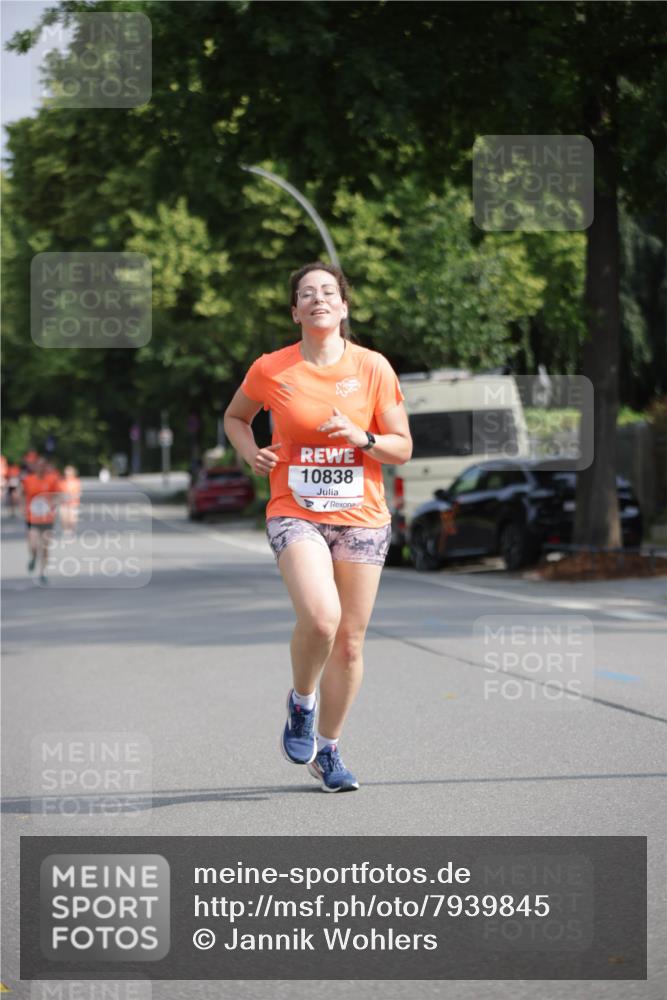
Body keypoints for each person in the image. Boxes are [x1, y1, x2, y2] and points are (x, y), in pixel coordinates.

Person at [224, 262, 412, 792]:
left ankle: (328, 751)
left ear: (344, 307)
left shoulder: (373, 368)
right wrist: (250, 452)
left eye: (328, 292)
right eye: (307, 294)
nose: (318, 299)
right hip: (296, 509)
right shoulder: (272, 368)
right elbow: (236, 417)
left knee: (350, 643)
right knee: (323, 619)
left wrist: (363, 437)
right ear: (295, 311)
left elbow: (402, 446)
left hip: (363, 516)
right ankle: (301, 702)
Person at [21, 456, 61, 584]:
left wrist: (52, 504)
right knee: (33, 545)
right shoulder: (28, 480)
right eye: (39, 465)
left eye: (44, 465)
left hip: (47, 518)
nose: (41, 468)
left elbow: (58, 496)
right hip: (32, 518)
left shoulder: (52, 479)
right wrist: (23, 508)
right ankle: (33, 557)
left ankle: (42, 573)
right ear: (35, 467)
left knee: (44, 547)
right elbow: (21, 494)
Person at [59, 465, 82, 533]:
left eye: (69, 472)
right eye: (66, 472)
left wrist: (73, 496)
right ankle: (66, 529)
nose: (68, 474)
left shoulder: (76, 481)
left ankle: (72, 528)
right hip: (64, 502)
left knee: (72, 517)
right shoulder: (62, 481)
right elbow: (58, 492)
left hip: (73, 502)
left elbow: (78, 492)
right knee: (64, 517)